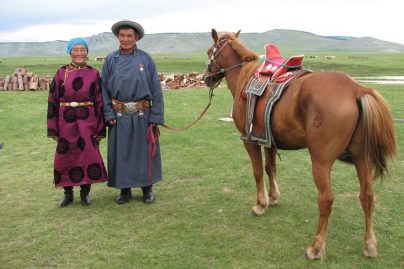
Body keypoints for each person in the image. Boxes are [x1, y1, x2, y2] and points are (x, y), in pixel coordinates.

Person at [102, 20, 164, 205]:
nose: (126, 39)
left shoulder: (146, 59)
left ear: (136, 38)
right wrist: (108, 114)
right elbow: (103, 89)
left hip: (142, 115)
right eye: (122, 35)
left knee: (144, 153)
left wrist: (155, 116)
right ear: (118, 37)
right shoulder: (110, 60)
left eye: (130, 36)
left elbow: (156, 89)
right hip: (119, 116)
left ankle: (147, 189)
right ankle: (124, 190)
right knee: (121, 152)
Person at [47, 37, 107, 207]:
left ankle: (84, 194)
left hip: (88, 122)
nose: (80, 53)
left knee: (87, 156)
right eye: (76, 49)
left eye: (83, 50)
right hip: (66, 123)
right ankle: (68, 194)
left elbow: (99, 102)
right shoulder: (60, 73)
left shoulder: (93, 74)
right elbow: (52, 102)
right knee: (66, 157)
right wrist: (53, 129)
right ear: (70, 52)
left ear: (87, 52)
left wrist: (100, 129)